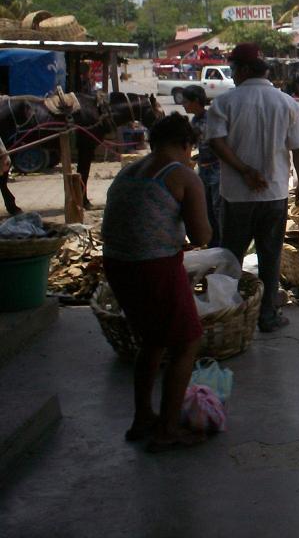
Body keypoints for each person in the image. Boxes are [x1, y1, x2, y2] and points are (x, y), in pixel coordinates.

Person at [101, 113, 212, 453]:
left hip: (117, 264)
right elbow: (202, 235)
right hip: (155, 266)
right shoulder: (182, 176)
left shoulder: (128, 171)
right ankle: (167, 430)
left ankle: (142, 418)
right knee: (187, 342)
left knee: (151, 340)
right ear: (186, 144)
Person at [207, 43, 299, 333]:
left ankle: (228, 315)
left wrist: (244, 170)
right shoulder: (286, 103)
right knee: (270, 256)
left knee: (231, 257)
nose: (232, 74)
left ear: (244, 69)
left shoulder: (224, 103)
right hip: (274, 195)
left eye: (233, 68)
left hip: (236, 196)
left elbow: (216, 142)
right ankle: (267, 315)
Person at [181, 85, 221, 247]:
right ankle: (213, 244)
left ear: (196, 101)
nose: (183, 104)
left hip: (217, 169)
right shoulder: (194, 121)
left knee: (218, 209)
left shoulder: (212, 119)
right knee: (207, 209)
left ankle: (223, 245)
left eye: (186, 101)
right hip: (203, 169)